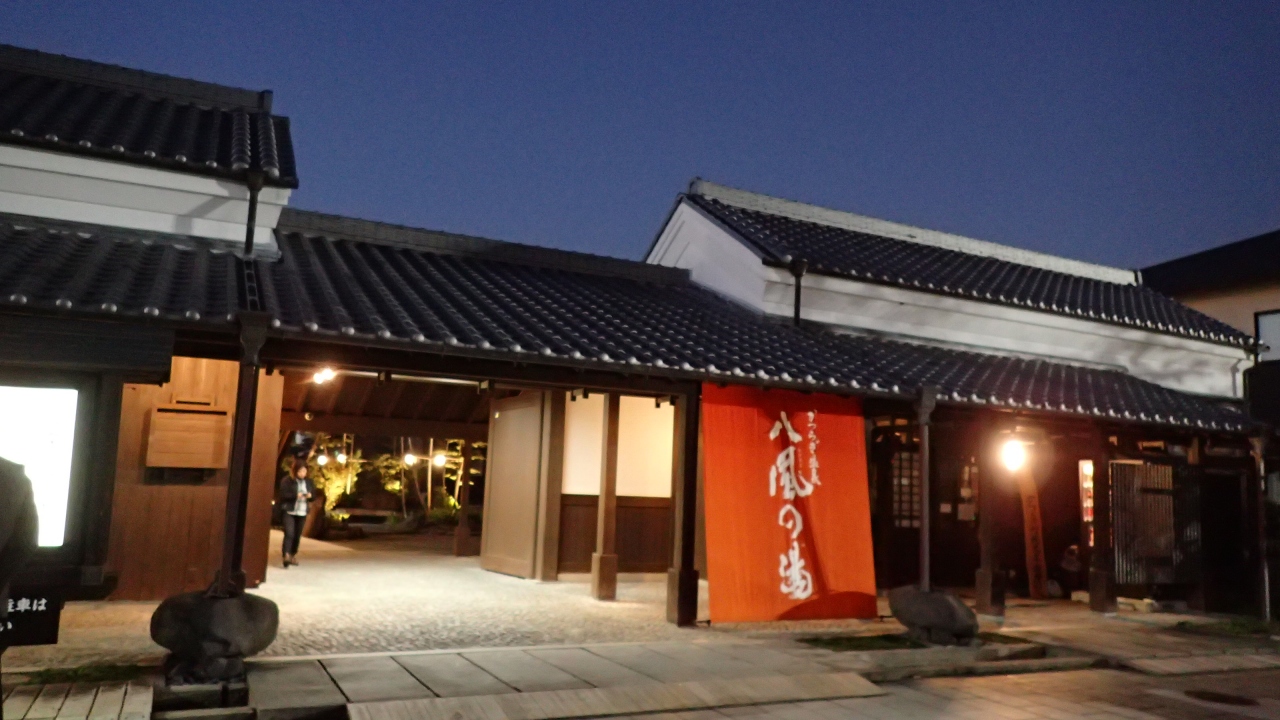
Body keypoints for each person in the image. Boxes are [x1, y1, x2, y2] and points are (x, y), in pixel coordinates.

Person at [278, 460, 313, 568]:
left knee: (297, 535)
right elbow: (283, 495)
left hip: (302, 511)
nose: (302, 474)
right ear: (295, 471)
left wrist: (310, 496)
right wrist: (295, 495)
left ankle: (292, 554)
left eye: (304, 471)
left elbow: (314, 495)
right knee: (289, 533)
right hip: (289, 510)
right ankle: (286, 555)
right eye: (300, 471)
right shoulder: (287, 481)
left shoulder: (308, 482)